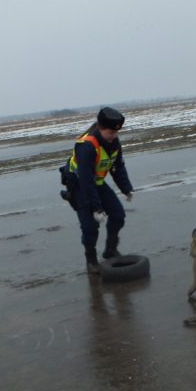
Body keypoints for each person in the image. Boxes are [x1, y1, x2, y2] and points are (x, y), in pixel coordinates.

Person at [63, 107, 134, 274]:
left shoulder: (113, 143)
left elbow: (117, 167)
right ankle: (91, 260)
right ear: (100, 128)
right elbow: (86, 181)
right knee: (90, 227)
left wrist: (126, 188)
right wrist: (97, 208)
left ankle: (110, 250)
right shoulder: (86, 147)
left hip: (98, 184)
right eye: (110, 133)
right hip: (80, 187)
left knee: (118, 215)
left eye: (116, 133)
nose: (114, 136)